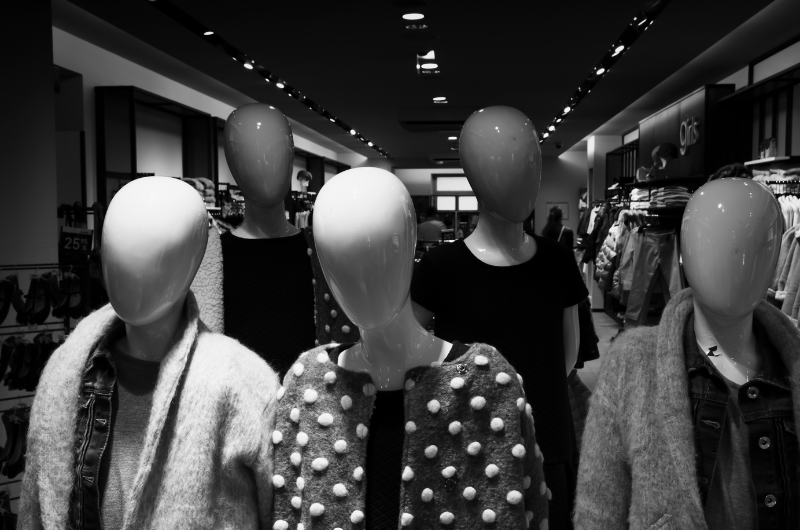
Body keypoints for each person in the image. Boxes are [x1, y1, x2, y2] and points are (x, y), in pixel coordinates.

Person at [574, 178, 798, 529]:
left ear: (777, 257)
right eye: (713, 245)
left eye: (758, 247)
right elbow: (598, 507)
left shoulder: (792, 365)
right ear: (684, 255)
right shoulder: (632, 363)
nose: (737, 261)